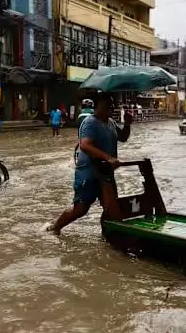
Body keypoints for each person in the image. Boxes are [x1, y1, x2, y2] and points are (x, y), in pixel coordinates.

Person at [48, 94, 132, 235]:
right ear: (97, 106)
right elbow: (85, 145)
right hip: (89, 172)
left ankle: (109, 239)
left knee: (111, 207)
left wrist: (128, 123)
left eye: (111, 105)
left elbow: (123, 137)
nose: (110, 107)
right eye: (106, 105)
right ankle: (55, 228)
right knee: (80, 208)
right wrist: (108, 158)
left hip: (105, 172)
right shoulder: (90, 122)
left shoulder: (110, 122)